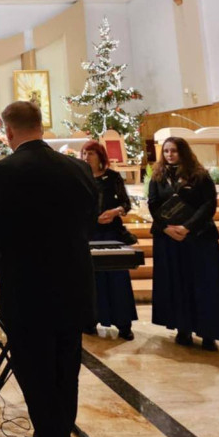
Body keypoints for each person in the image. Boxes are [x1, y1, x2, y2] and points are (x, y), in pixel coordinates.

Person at [0, 101, 96, 437]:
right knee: (66, 376)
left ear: (8, 133)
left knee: (39, 384)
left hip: (29, 293)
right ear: (41, 126)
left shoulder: (3, 172)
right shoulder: (78, 168)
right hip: (75, 288)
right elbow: (88, 221)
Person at [148, 137, 219, 351]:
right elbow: (153, 204)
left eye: (175, 151)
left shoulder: (199, 175)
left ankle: (209, 332)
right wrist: (167, 228)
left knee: (203, 284)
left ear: (184, 152)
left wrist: (187, 227)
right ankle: (183, 328)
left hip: (198, 236)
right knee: (176, 283)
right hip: (168, 237)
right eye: (167, 151)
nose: (170, 155)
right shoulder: (158, 176)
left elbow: (208, 205)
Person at [80, 141, 137, 341]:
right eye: (85, 153)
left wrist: (114, 212)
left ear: (100, 156)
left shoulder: (112, 177)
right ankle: (90, 320)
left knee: (116, 277)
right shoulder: (80, 178)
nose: (87, 157)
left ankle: (123, 323)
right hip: (89, 233)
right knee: (91, 279)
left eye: (91, 154)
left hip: (110, 233)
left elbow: (126, 204)